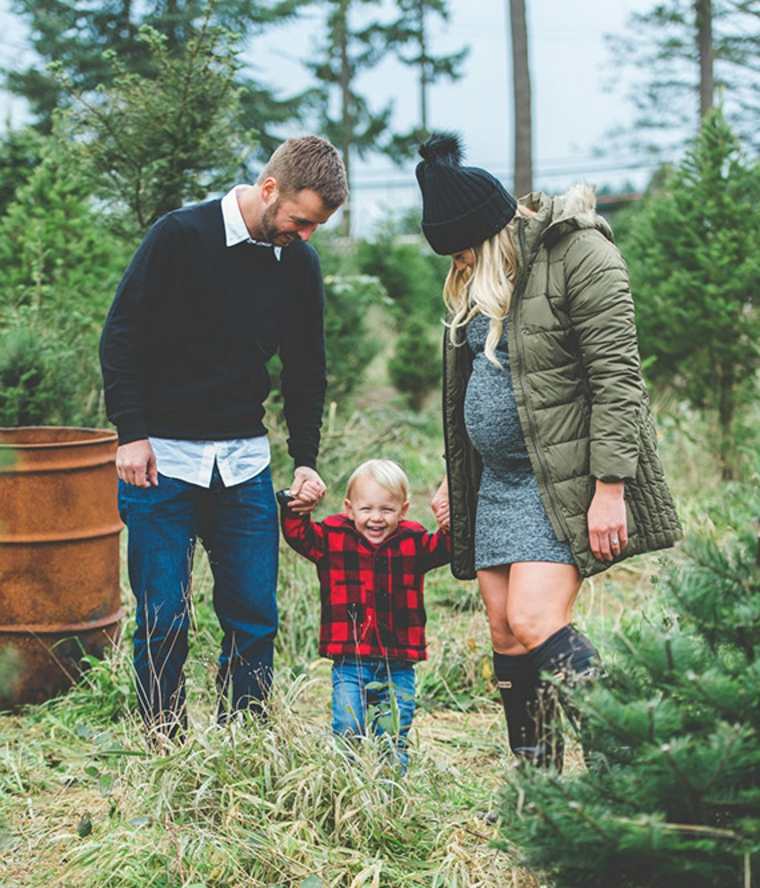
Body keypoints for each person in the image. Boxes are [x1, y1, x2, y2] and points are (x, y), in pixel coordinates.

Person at [415, 133, 682, 771]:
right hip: (496, 482)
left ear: (490, 231)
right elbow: (474, 390)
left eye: (461, 253)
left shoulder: (579, 254)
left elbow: (620, 380)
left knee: (537, 620)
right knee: (505, 628)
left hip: (560, 478)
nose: (457, 267)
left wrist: (610, 487)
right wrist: (459, 479)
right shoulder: (481, 277)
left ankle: (633, 757)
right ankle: (539, 789)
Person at [99, 135, 347, 738]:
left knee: (255, 617)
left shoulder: (298, 263)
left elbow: (306, 368)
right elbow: (121, 335)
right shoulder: (179, 237)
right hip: (162, 462)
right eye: (299, 220)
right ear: (269, 190)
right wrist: (131, 434)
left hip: (243, 467)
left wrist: (306, 459)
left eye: (316, 226)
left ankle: (246, 741)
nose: (305, 235)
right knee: (163, 616)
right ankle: (162, 740)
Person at [278, 459, 451, 770]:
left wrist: (453, 522)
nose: (376, 518)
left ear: (404, 509)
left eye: (387, 509)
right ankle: (349, 783)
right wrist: (295, 505)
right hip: (350, 660)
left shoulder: (412, 540)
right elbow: (298, 536)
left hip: (398, 661)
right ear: (349, 508)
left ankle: (390, 792)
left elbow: (445, 547)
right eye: (366, 509)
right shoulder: (333, 537)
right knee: (348, 725)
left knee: (393, 731)